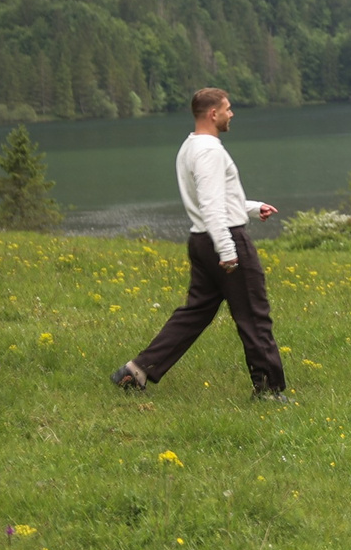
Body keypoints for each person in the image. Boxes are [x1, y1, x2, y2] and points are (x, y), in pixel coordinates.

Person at [114, 88, 286, 397]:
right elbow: (210, 204)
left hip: (201, 240)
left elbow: (214, 197)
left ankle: (136, 371)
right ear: (213, 114)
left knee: (195, 313)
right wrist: (229, 251)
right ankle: (270, 390)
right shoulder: (209, 150)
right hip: (224, 239)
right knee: (254, 315)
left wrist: (251, 206)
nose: (232, 114)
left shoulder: (190, 147)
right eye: (228, 109)